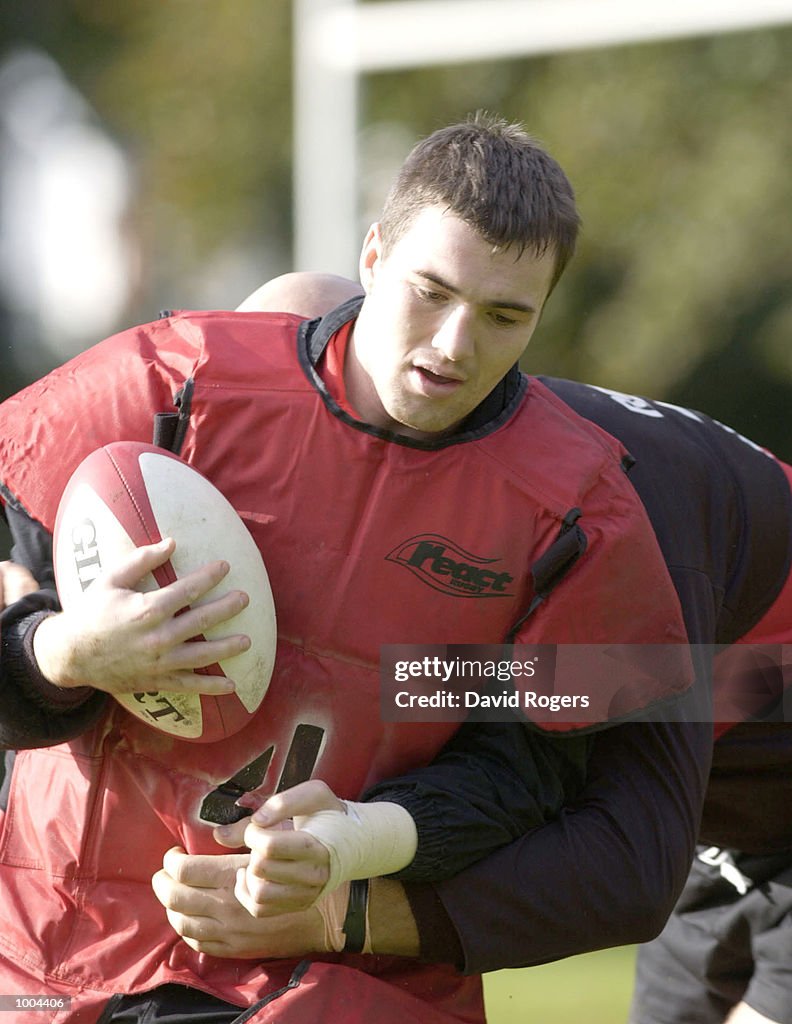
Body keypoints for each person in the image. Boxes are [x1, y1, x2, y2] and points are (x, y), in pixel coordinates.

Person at [0, 112, 695, 1023]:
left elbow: (527, 777)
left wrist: (350, 848)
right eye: (431, 291)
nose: (453, 345)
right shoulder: (171, 385)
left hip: (329, 979)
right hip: (62, 942)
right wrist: (63, 652)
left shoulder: (581, 514)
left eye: (502, 315)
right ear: (372, 255)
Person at [148, 271, 792, 1024]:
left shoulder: (603, 510)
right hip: (729, 833)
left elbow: (625, 864)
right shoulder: (452, 473)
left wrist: (337, 915)